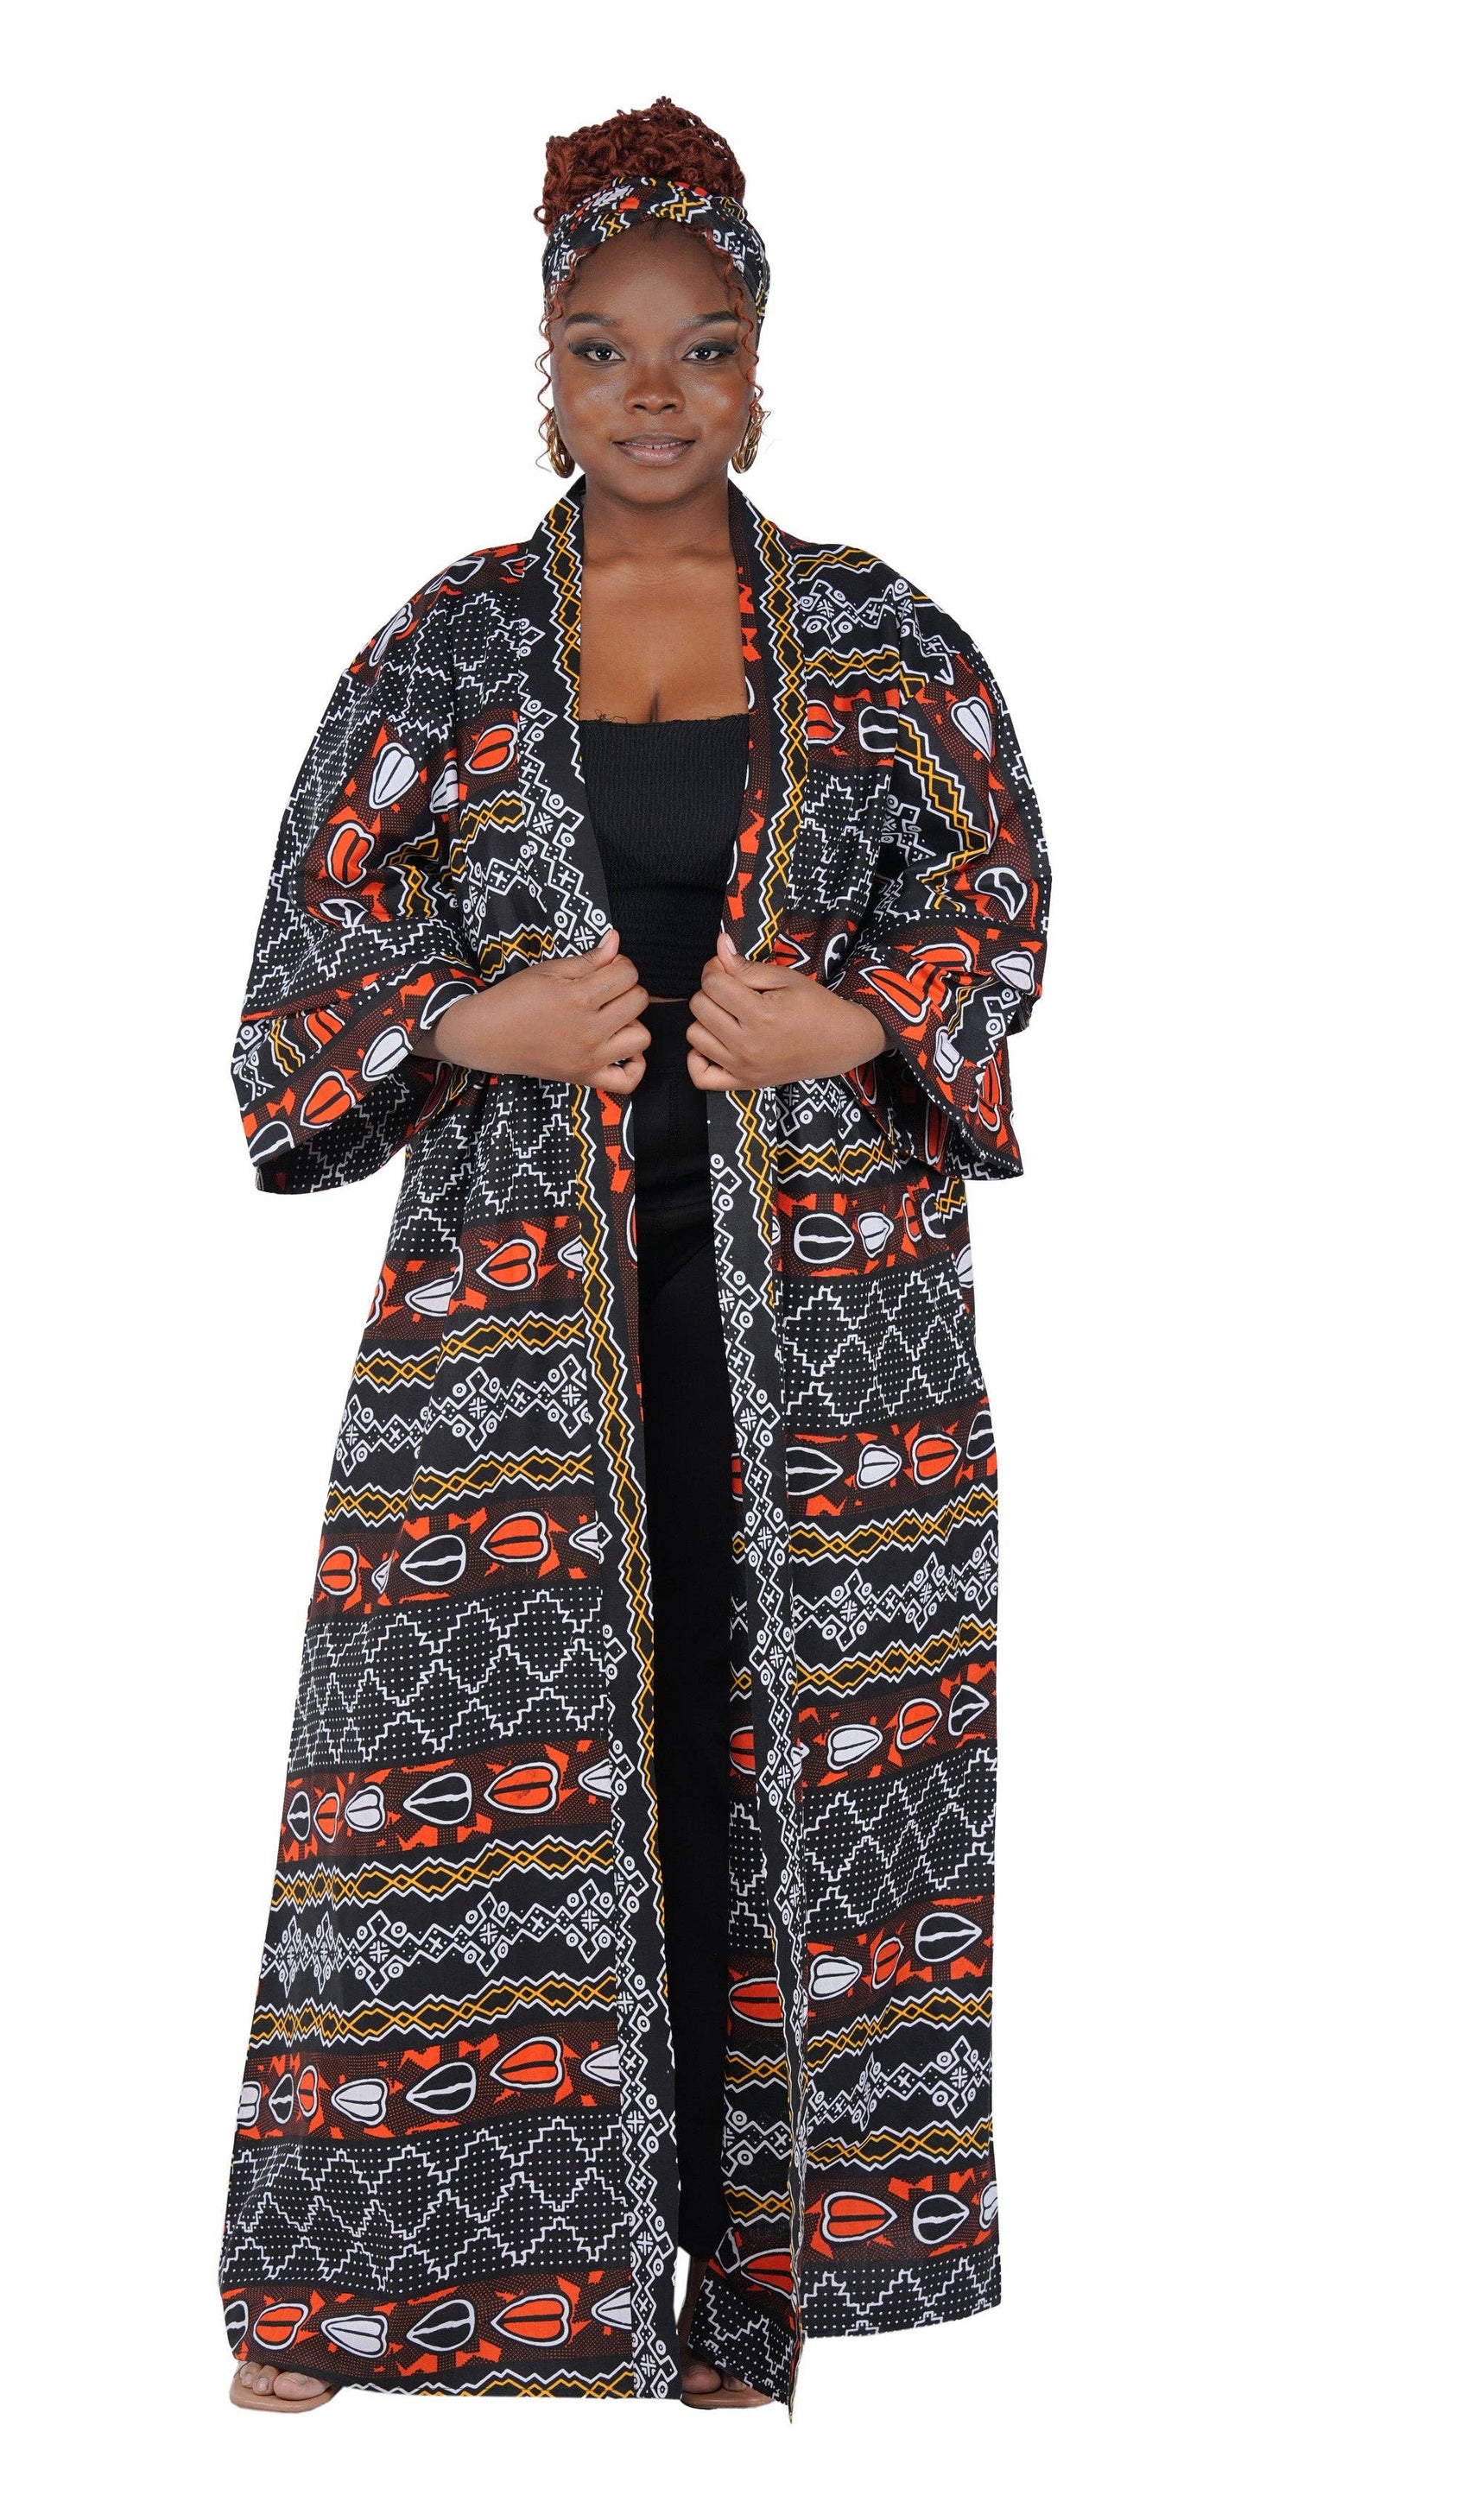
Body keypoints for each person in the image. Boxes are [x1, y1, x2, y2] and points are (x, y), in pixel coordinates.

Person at [222, 96, 1050, 2415]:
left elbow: (997, 908)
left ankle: (754, 2293)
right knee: (454, 1754)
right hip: (506, 1316)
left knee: (789, 1755)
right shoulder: (444, 652)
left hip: (836, 1327)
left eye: (701, 348)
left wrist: (858, 1018)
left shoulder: (883, 637)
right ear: (547, 364)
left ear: (761, 364)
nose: (653, 392)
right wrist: (465, 1017)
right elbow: (294, 979)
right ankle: (361, 2297)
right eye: (603, 349)